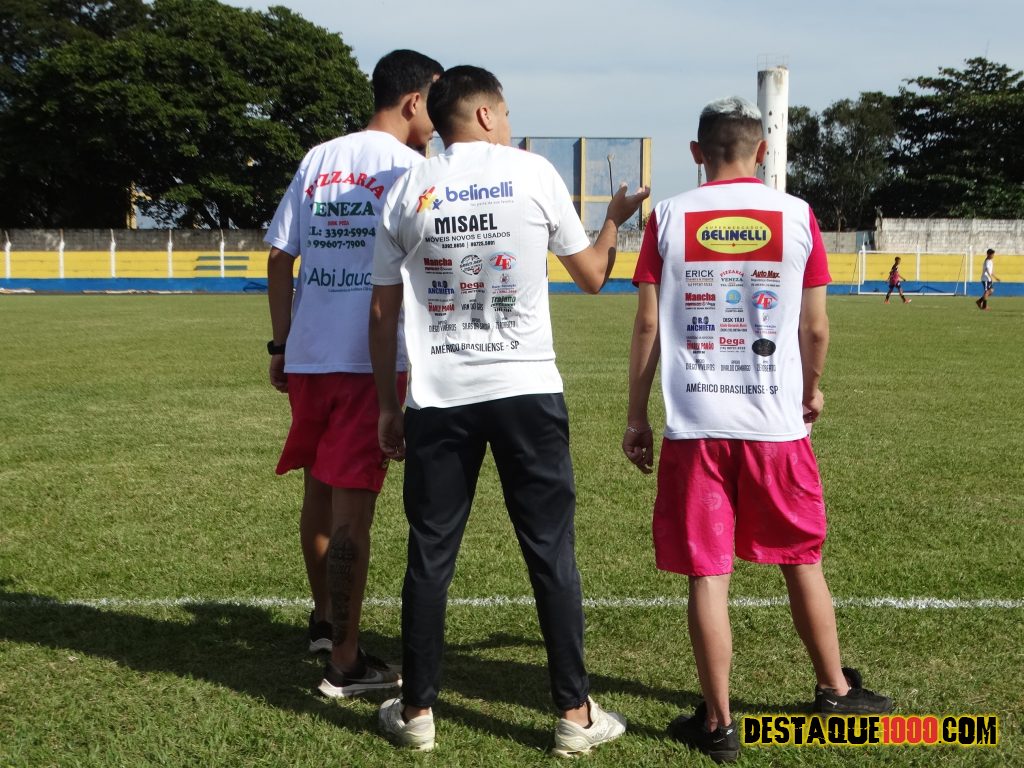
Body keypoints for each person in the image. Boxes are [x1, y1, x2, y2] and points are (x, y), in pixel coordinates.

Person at [368, 65, 649, 754]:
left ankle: (418, 712)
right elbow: (593, 277)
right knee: (550, 551)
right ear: (487, 114)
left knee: (430, 553)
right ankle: (574, 715)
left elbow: (381, 311)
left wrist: (387, 404)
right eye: (507, 111)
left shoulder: (408, 186)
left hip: (439, 394)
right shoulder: (533, 174)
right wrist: (613, 222)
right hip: (526, 390)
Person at [622, 96, 893, 764]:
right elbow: (815, 327)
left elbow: (649, 324)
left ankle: (719, 724)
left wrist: (635, 415)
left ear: (697, 153)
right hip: (776, 427)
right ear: (762, 152)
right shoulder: (797, 214)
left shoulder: (668, 217)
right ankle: (834, 689)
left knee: (707, 575)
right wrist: (810, 387)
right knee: (801, 559)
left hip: (696, 426)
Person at [264, 49, 443, 698]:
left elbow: (279, 257)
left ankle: (324, 621)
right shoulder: (413, 169)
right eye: (436, 105)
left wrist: (281, 344)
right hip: (372, 359)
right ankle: (344, 659)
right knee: (352, 512)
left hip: (310, 354)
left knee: (318, 489)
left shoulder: (318, 158)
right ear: (415, 101)